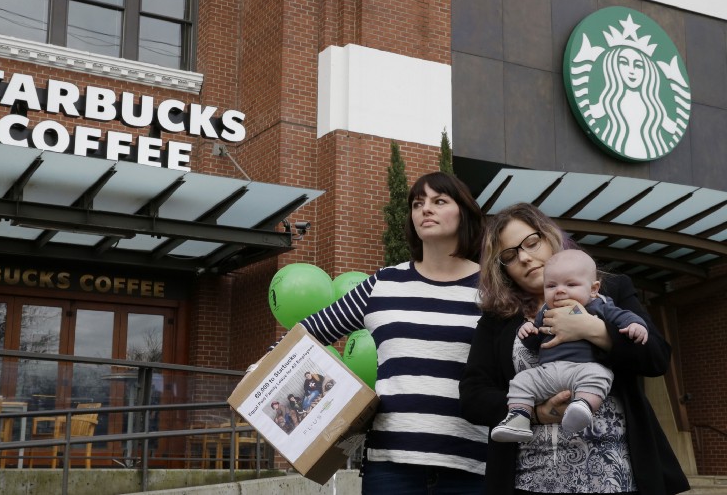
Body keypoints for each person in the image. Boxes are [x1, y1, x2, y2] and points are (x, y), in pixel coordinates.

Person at [459, 202, 689, 495]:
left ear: (549, 236)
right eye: (510, 255)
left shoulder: (610, 292)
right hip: (527, 481)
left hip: (616, 476)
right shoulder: (498, 319)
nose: (526, 258)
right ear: (502, 269)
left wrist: (593, 331)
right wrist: (537, 412)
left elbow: (656, 357)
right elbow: (473, 396)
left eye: (531, 242)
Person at [293, 171, 488, 494]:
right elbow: (309, 332)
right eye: (417, 203)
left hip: (470, 466)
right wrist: (260, 374)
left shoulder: (493, 289)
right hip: (389, 467)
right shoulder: (383, 283)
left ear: (465, 213)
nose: (425, 209)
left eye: (439, 201)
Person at [491, 249, 648, 442]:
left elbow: (624, 316)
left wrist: (635, 325)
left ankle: (582, 406)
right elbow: (535, 342)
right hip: (548, 371)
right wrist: (528, 332)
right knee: (521, 381)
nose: (559, 290)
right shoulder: (545, 311)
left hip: (583, 368)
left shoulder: (599, 306)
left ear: (593, 288)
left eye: (571, 284)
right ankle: (519, 417)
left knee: (599, 375)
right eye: (551, 285)